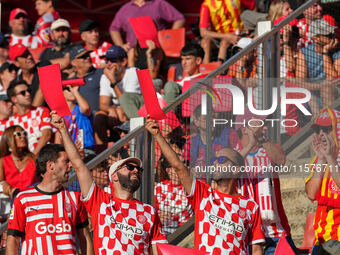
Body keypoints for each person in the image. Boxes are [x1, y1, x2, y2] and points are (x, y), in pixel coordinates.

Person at [50, 111, 168, 254]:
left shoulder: (149, 212)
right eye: (130, 167)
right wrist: (63, 129)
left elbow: (160, 251)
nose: (136, 171)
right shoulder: (100, 202)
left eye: (139, 169)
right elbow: (79, 166)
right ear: (114, 176)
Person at [146, 117, 265, 254]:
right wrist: (158, 135)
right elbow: (178, 166)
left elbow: (256, 250)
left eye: (221, 160)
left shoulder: (251, 206)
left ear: (235, 169)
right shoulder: (203, 194)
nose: (214, 164)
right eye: (214, 160)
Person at [6, 144, 94, 255]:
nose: (71, 165)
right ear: (51, 165)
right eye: (66, 161)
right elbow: (13, 239)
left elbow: (85, 238)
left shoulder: (75, 198)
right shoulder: (23, 199)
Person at [235, 113, 296, 255]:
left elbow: (281, 159)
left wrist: (261, 139)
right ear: (244, 129)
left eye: (264, 124)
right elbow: (230, 170)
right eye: (258, 124)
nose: (264, 127)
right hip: (248, 232)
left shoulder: (268, 148)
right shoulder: (234, 154)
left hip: (276, 230)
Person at [305, 107, 340, 255]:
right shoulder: (318, 160)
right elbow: (311, 194)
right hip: (321, 239)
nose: (322, 134)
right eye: (318, 130)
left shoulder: (333, 159)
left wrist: (331, 159)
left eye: (327, 129)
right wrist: (321, 159)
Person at [109, 0, 185, 65]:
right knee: (136, 79)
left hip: (156, 53)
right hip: (134, 56)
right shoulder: (125, 9)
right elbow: (114, 29)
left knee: (154, 80)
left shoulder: (159, 4)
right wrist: (120, 46)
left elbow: (179, 19)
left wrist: (168, 39)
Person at [95, 45, 140, 146]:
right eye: (107, 60)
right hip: (118, 113)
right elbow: (103, 104)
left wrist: (112, 81)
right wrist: (110, 109)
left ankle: (131, 145)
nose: (109, 64)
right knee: (99, 117)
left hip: (137, 112)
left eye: (113, 60)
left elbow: (127, 103)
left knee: (120, 112)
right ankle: (105, 150)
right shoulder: (105, 77)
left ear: (124, 62)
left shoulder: (133, 73)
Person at [296, 19, 340, 115]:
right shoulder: (304, 53)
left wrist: (325, 53)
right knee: (310, 96)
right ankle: (320, 126)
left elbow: (334, 79)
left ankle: (328, 124)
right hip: (314, 93)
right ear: (316, 38)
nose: (333, 37)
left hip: (335, 92)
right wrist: (321, 85)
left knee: (327, 89)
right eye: (328, 35)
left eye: (332, 34)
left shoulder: (338, 50)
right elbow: (300, 83)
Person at [7, 80, 52, 155]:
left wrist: (33, 156)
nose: (28, 94)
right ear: (14, 99)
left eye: (29, 91)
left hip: (42, 157)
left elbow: (46, 135)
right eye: (23, 93)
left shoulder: (42, 111)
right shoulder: (10, 122)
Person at [154, 154, 193, 235]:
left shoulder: (190, 186)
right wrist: (159, 218)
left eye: (184, 163)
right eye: (179, 163)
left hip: (185, 231)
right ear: (168, 170)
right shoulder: (159, 188)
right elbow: (154, 214)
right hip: (164, 231)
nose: (183, 166)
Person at [0, 125, 36, 198]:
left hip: (33, 199)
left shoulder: (34, 159)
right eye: (19, 134)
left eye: (24, 133)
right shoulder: (3, 161)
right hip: (12, 202)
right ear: (9, 139)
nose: (23, 136)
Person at [69, 44, 103, 112]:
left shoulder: (102, 73)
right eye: (83, 57)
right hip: (82, 120)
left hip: (102, 117)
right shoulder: (70, 82)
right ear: (73, 63)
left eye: (88, 55)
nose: (88, 58)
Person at [62, 84, 94, 152]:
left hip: (86, 149)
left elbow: (86, 108)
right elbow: (58, 138)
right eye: (68, 89)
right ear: (61, 93)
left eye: (73, 89)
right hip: (70, 152)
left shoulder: (80, 109)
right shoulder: (60, 115)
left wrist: (75, 92)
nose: (72, 91)